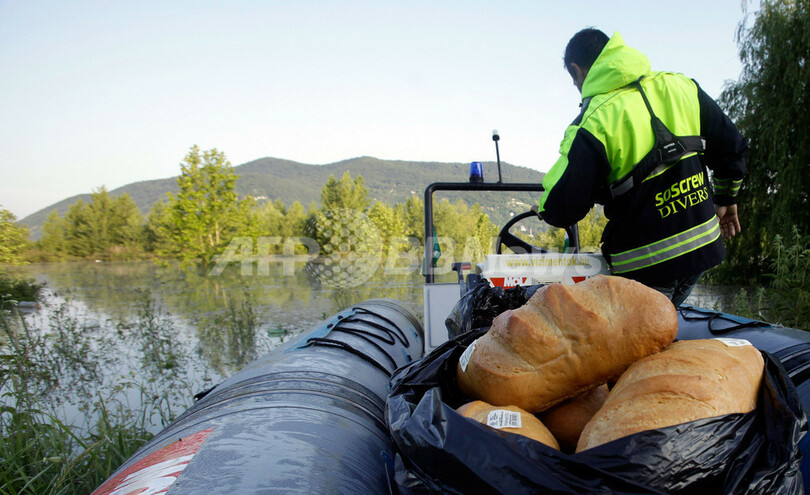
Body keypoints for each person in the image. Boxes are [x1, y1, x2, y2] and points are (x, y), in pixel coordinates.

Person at [538, 29, 748, 306]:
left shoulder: (594, 122)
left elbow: (562, 207)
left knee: (645, 341)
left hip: (647, 267)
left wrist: (541, 208)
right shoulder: (681, 86)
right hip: (702, 250)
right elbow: (732, 147)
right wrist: (726, 199)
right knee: (667, 325)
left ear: (577, 71)